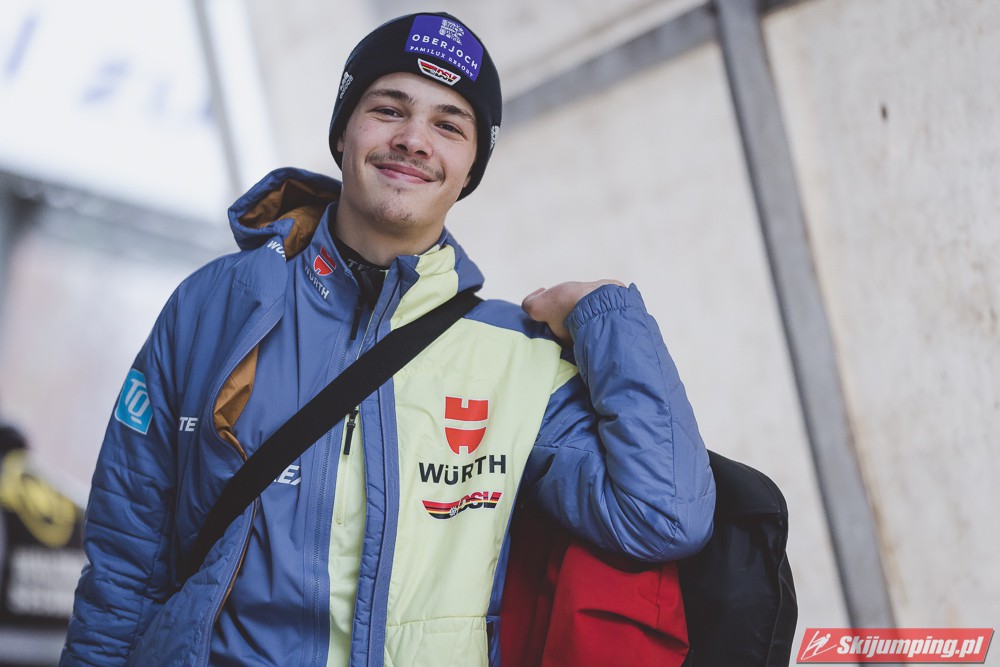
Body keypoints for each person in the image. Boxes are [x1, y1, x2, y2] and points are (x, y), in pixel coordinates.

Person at [61, 11, 715, 667]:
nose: (413, 140)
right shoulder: (215, 305)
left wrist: (606, 315)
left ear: (470, 168)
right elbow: (125, 557)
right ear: (343, 130)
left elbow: (663, 515)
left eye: (449, 125)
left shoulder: (518, 357)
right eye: (388, 109)